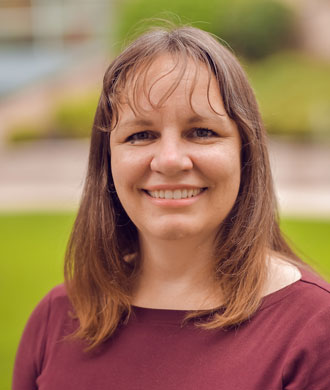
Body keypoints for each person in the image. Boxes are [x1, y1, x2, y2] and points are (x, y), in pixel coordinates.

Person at [13, 25, 330, 390]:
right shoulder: (56, 319)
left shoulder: (312, 332)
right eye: (141, 135)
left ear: (245, 152)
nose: (170, 160)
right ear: (108, 161)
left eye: (201, 132)